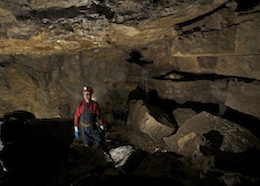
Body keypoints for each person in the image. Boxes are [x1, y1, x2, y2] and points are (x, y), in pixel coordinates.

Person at [74, 86, 112, 162]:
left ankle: (108, 158)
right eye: (85, 94)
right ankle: (89, 160)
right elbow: (77, 116)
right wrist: (76, 128)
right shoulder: (81, 105)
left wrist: (101, 124)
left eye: (88, 94)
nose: (87, 96)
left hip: (91, 127)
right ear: (83, 95)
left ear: (91, 95)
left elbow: (100, 115)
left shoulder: (94, 105)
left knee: (100, 141)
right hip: (83, 128)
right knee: (86, 144)